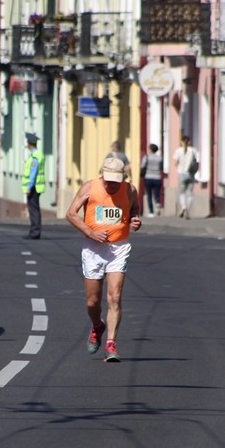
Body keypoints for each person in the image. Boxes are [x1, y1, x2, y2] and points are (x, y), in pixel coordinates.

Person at [66, 157, 142, 362]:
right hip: (93, 248)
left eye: (116, 181)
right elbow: (71, 214)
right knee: (93, 302)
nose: (111, 185)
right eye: (108, 181)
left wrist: (135, 219)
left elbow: (134, 208)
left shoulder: (129, 190)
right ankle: (97, 325)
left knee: (115, 296)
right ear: (102, 176)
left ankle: (111, 344)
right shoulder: (90, 187)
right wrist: (89, 232)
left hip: (119, 247)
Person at [22, 132, 45, 240]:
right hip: (37, 186)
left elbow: (33, 173)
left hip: (34, 187)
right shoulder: (37, 155)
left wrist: (29, 187)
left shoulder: (35, 156)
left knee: (33, 210)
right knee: (34, 209)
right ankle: (34, 231)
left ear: (29, 144)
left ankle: (35, 232)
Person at [174, 135, 198, 219]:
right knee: (189, 194)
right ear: (189, 142)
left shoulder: (178, 151)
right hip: (191, 174)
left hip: (181, 174)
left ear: (181, 142)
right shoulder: (193, 150)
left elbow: (175, 163)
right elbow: (197, 162)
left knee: (182, 193)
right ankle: (187, 210)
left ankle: (183, 206)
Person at [140, 143, 163, 217]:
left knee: (149, 195)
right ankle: (158, 203)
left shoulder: (147, 157)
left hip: (148, 177)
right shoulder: (159, 158)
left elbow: (142, 166)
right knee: (156, 193)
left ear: (150, 149)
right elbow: (161, 167)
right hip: (157, 177)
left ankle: (151, 212)